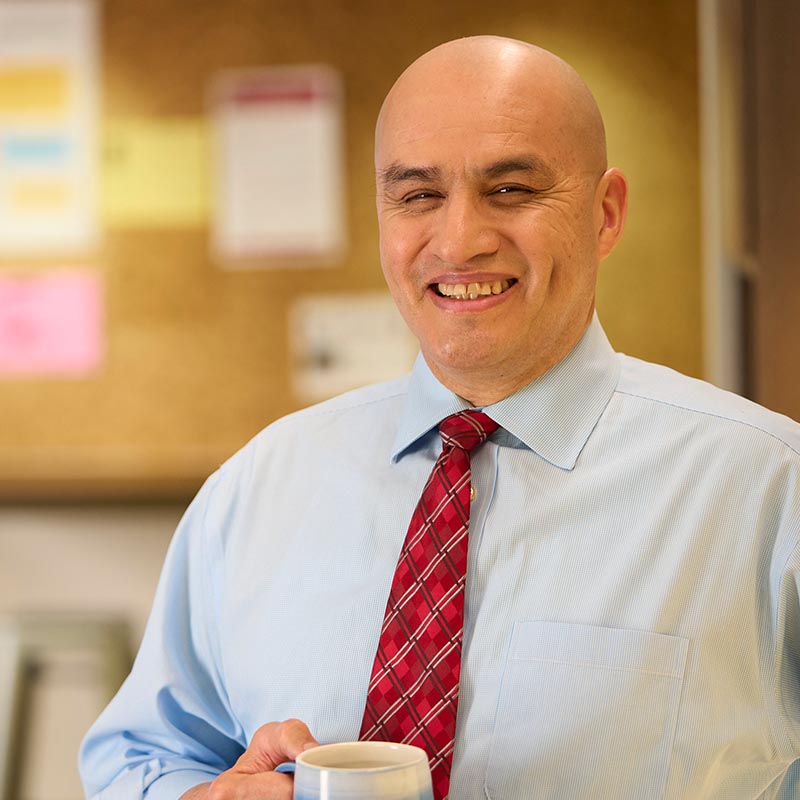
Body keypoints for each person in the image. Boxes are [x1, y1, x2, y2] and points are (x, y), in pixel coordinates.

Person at [80, 36, 800, 800]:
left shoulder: (768, 491)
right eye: (419, 195)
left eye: (512, 189)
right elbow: (143, 754)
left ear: (605, 214)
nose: (459, 240)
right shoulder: (258, 487)